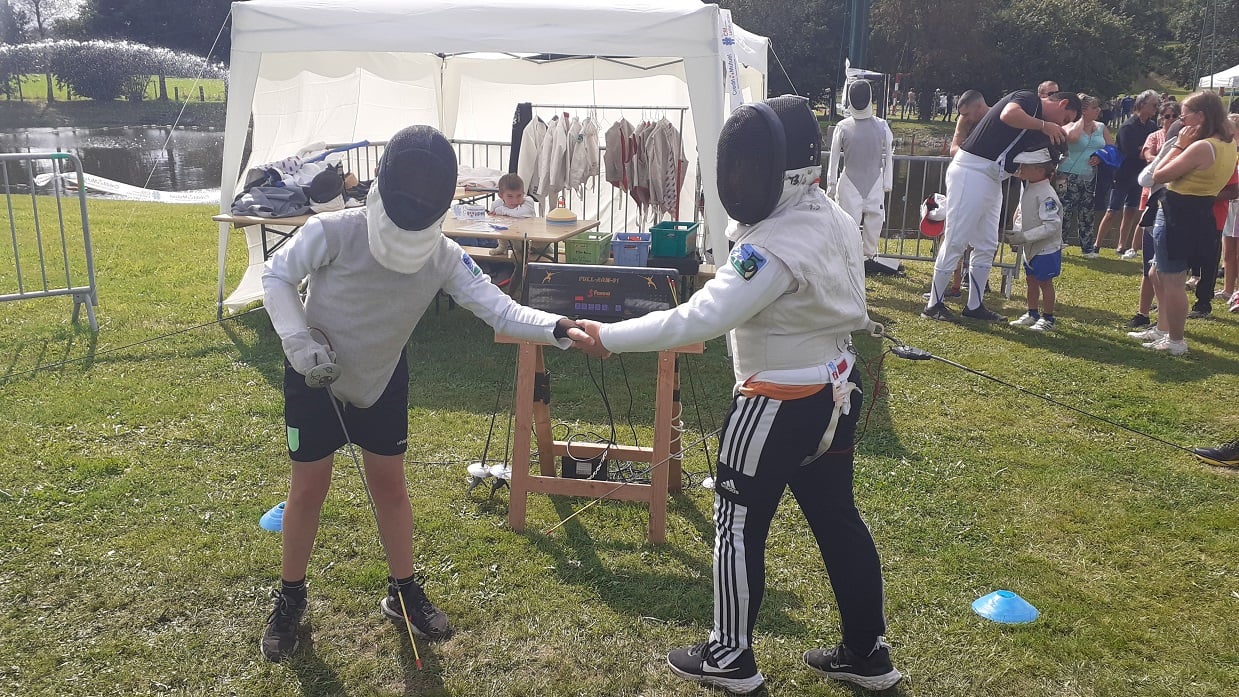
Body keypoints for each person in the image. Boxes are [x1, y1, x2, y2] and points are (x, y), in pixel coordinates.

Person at [578, 95, 901, 694]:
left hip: (777, 402)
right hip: (836, 389)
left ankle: (729, 656)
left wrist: (610, 337)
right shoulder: (829, 213)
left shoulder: (772, 245)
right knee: (837, 518)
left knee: (736, 523)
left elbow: (701, 316)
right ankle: (867, 652)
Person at [258, 124, 598, 662]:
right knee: (307, 490)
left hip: (382, 377)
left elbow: (500, 309)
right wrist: (298, 340)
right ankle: (291, 597)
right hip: (313, 375)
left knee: (390, 487)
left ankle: (402, 591)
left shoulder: (442, 255)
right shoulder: (334, 231)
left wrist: (558, 325)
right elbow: (276, 275)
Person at [923, 88, 1080, 323]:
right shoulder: (1028, 99)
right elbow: (1009, 114)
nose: (1061, 124)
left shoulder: (1034, 119)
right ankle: (933, 305)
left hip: (991, 176)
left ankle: (974, 305)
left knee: (987, 244)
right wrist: (1044, 126)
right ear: (1062, 103)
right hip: (971, 171)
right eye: (1065, 118)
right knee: (956, 239)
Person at [1142, 91, 1237, 354]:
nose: (1181, 121)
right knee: (1156, 272)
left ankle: (1175, 341)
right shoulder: (1228, 143)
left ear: (1201, 116)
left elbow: (1158, 175)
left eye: (1184, 116)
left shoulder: (1202, 147)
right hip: (1197, 211)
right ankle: (1163, 329)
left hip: (1179, 212)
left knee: (1172, 280)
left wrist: (1179, 146)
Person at [1127, 104, 1182, 329]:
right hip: (1155, 206)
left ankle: (1165, 325)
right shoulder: (1158, 137)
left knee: (1164, 273)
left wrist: (1169, 150)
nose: (1170, 120)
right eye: (1167, 116)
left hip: (1171, 213)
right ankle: (1145, 314)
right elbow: (1146, 175)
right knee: (1150, 269)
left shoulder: (1188, 150)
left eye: (1175, 116)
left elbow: (1150, 176)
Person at [827, 79, 894, 260]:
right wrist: (831, 184)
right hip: (851, 184)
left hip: (874, 183)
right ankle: (848, 258)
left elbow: (889, 155)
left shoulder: (882, 126)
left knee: (875, 223)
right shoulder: (843, 127)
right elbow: (833, 158)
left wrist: (887, 182)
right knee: (848, 226)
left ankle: (867, 257)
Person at [1007, 149, 1064, 331]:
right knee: (1031, 279)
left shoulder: (1046, 194)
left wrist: (1025, 236)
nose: (1021, 168)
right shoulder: (1030, 186)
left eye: (1026, 166)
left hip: (1045, 248)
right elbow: (1023, 212)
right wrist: (1017, 232)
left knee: (1045, 283)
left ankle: (1048, 318)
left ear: (1039, 171)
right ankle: (1032, 313)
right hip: (1030, 247)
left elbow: (1052, 225)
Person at [1096, 90, 1158, 258]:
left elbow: (1152, 147)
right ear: (1142, 104)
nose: (1156, 108)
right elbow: (1129, 150)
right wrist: (1144, 150)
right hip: (1123, 174)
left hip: (1139, 174)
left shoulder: (1152, 126)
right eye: (1154, 104)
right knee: (1112, 210)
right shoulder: (1128, 126)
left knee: (1131, 210)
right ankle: (1097, 244)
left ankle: (1122, 245)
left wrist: (1143, 149)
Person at [1056, 94, 1112, 256]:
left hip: (1089, 176)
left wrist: (1100, 157)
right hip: (1065, 175)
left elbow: (1110, 147)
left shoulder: (1101, 127)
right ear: (1083, 110)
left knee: (1087, 211)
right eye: (1094, 107)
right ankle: (1058, 242)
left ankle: (1087, 248)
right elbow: (1073, 138)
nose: (1098, 110)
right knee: (1064, 209)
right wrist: (1081, 119)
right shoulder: (1070, 125)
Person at [487, 172, 538, 258]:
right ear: (501, 196)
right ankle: (502, 247)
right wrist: (491, 216)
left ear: (524, 194)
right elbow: (492, 222)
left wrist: (501, 211)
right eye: (510, 196)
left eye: (519, 195)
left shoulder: (528, 201)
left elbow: (520, 213)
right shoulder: (496, 204)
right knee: (500, 226)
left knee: (520, 246)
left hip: (530, 240)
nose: (515, 200)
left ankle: (526, 249)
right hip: (509, 236)